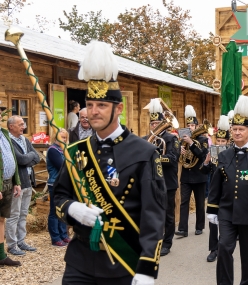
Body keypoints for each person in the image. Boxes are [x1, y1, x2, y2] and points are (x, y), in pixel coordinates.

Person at [54, 41, 165, 285]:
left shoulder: (145, 152)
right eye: (90, 105)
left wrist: (147, 268)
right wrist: (73, 209)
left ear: (119, 109)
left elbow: (153, 216)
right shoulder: (77, 151)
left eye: (102, 105)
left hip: (122, 263)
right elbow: (59, 196)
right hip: (79, 262)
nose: (94, 112)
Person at [206, 95, 248, 285]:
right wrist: (212, 208)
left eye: (241, 129)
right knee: (224, 247)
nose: (237, 132)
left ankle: (247, 283)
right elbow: (216, 184)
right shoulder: (224, 155)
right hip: (227, 211)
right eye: (234, 129)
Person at [145, 99, 180, 257]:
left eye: (158, 123)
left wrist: (155, 155)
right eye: (153, 123)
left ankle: (167, 242)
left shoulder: (171, 139)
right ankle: (154, 240)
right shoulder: (146, 138)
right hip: (151, 182)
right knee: (152, 213)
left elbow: (173, 158)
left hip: (167, 182)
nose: (155, 126)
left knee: (168, 214)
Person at [6, 115, 40, 255]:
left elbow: (36, 157)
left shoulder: (24, 139)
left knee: (23, 213)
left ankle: (21, 241)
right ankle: (12, 245)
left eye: (24, 123)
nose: (23, 126)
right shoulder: (8, 141)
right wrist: (30, 156)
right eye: (20, 124)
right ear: (11, 126)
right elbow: (20, 159)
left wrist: (29, 158)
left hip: (28, 181)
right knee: (14, 215)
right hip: (17, 183)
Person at [176, 105, 209, 237]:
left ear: (196, 126)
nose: (189, 127)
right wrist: (180, 151)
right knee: (184, 202)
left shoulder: (203, 139)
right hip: (186, 175)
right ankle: (183, 229)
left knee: (200, 202)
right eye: (188, 124)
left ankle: (199, 226)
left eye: (192, 125)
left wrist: (191, 143)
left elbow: (202, 155)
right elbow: (178, 158)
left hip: (199, 175)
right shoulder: (181, 140)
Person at [202, 115, 231, 262]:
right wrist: (207, 163)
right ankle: (213, 249)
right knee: (213, 221)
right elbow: (204, 172)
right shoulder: (212, 152)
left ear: (228, 142)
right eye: (218, 141)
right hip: (214, 192)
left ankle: (224, 246)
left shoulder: (232, 154)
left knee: (226, 221)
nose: (220, 143)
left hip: (228, 192)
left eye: (223, 141)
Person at [0, 120, 22, 267]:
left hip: (8, 182)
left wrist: (17, 181)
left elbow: (12, 156)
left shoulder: (4, 133)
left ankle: (1, 255)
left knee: (1, 220)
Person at [46, 129, 70, 247]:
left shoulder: (64, 149)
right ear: (55, 138)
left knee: (63, 209)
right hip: (55, 183)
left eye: (65, 137)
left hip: (64, 184)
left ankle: (64, 234)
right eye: (61, 137)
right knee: (54, 211)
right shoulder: (53, 150)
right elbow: (63, 166)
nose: (63, 140)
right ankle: (55, 237)